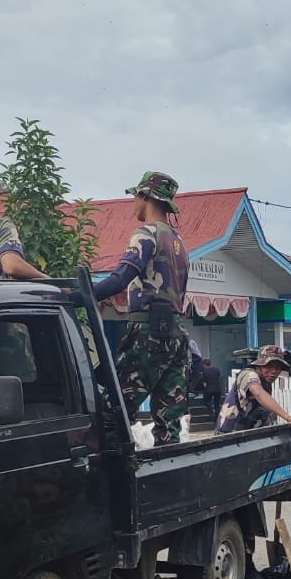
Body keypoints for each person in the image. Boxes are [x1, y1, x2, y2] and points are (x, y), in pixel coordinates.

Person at [91, 171, 190, 446]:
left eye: (135, 197)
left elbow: (119, 279)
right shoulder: (179, 243)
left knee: (114, 411)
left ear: (144, 197)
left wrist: (80, 293)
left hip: (148, 332)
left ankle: (115, 478)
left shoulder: (146, 234)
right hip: (177, 333)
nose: (133, 203)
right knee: (168, 420)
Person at [216, 346, 291, 433]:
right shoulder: (248, 374)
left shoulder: (266, 382)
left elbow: (264, 407)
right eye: (268, 366)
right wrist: (288, 417)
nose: (273, 371)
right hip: (227, 437)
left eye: (277, 367)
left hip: (248, 436)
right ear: (258, 365)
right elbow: (258, 394)